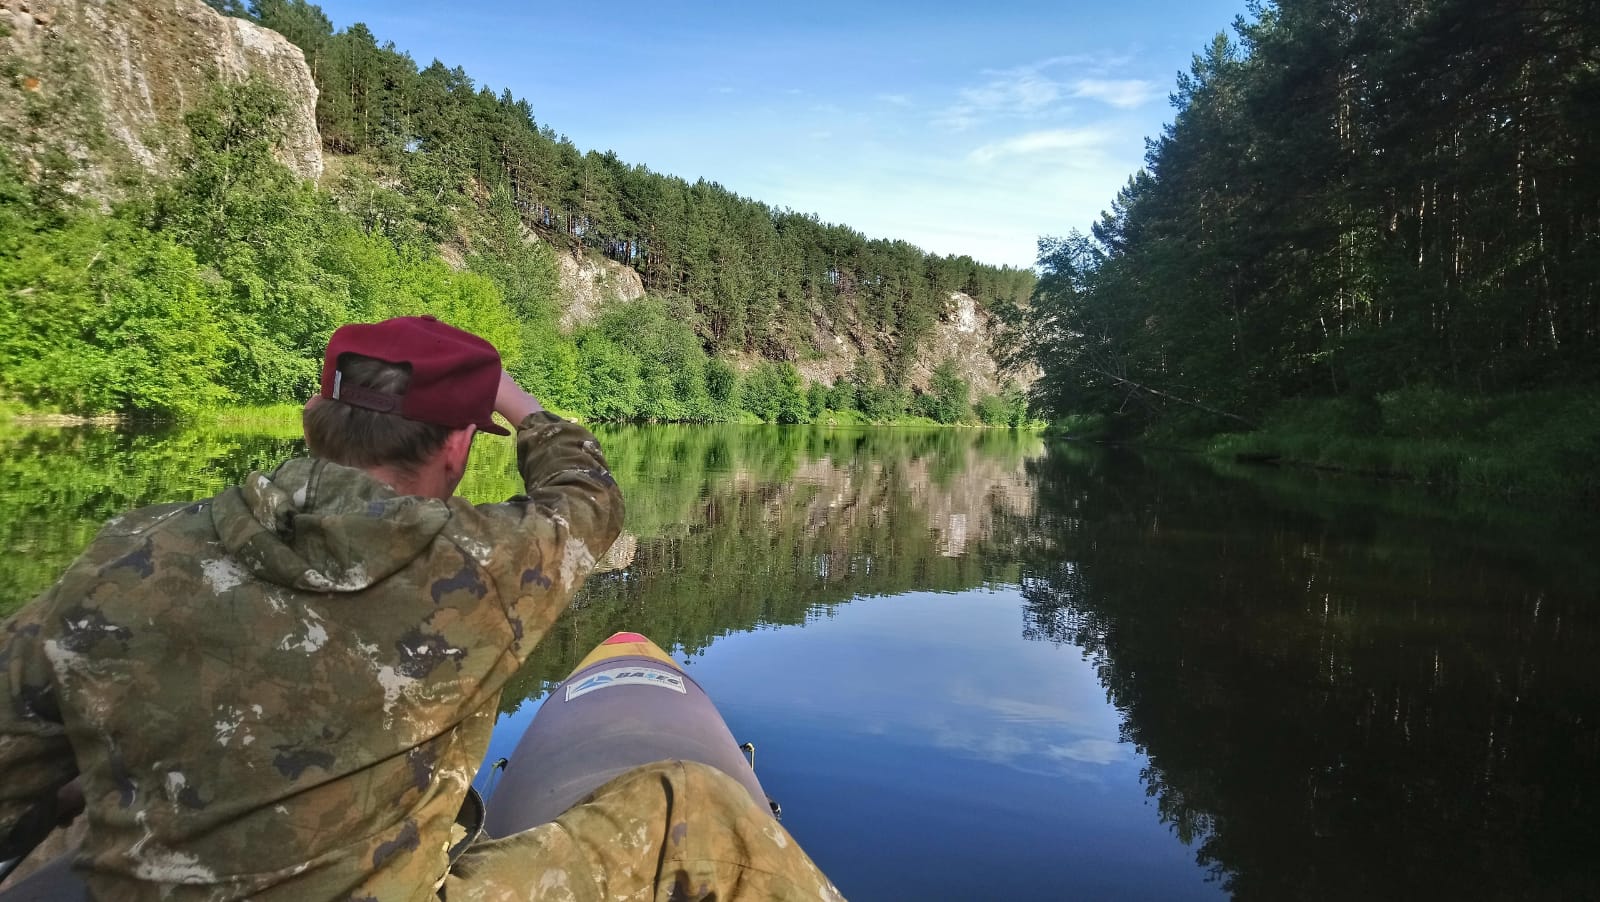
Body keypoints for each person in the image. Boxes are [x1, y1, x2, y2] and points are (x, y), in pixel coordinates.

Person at [0, 316, 842, 901]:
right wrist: (521, 404)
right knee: (693, 812)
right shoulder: (483, 565)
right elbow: (590, 498)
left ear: (317, 420)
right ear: (456, 445)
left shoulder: (125, 553)